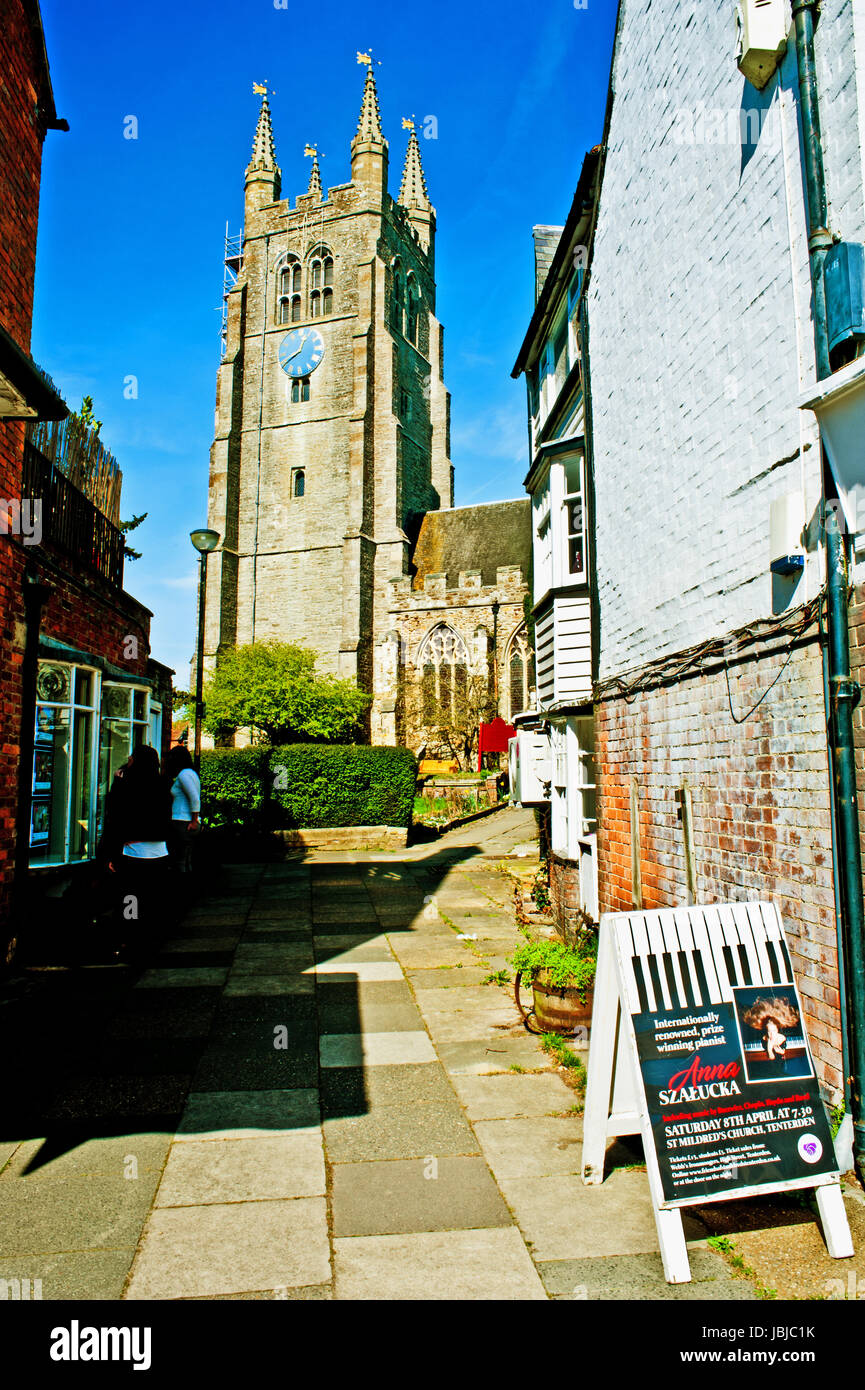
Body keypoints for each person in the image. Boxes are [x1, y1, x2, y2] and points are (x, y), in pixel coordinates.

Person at [99, 743, 172, 961]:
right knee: (154, 898)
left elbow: (115, 816)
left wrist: (117, 782)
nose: (128, 759)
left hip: (133, 853)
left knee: (130, 897)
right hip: (159, 852)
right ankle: (152, 937)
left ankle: (129, 938)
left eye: (131, 758)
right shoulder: (163, 785)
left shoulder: (127, 785)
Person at [164, 744, 201, 877]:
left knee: (179, 861)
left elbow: (195, 799)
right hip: (185, 821)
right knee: (186, 860)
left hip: (182, 821)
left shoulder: (184, 775)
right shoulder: (191, 774)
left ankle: (182, 890)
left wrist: (194, 821)